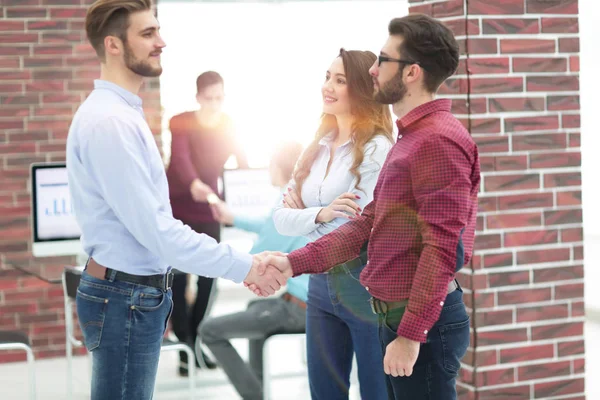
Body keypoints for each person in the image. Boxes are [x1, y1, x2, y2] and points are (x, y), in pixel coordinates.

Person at [66, 1, 284, 399]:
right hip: (125, 296)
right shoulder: (111, 122)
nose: (161, 42)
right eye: (148, 33)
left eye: (158, 30)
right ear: (113, 45)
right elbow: (157, 232)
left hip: (130, 294)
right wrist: (245, 266)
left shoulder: (123, 113)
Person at [255, 14, 480, 400]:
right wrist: (294, 262)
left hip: (421, 325)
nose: (372, 70)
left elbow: (441, 248)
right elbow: (366, 225)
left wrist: (410, 336)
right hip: (394, 316)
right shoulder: (411, 139)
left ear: (411, 73)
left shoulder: (437, 141)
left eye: (383, 60)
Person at [271, 49, 394, 400]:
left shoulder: (377, 148)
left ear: (361, 89)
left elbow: (360, 227)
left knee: (377, 392)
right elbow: (279, 219)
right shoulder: (316, 148)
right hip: (319, 287)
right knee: (324, 393)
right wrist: (322, 214)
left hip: (363, 285)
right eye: (327, 77)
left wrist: (305, 216)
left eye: (340, 80)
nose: (328, 86)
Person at [198, 141, 309, 400]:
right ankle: (258, 391)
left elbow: (260, 252)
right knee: (253, 309)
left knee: (209, 330)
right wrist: (233, 218)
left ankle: (254, 396)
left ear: (278, 167)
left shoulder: (287, 202)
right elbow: (268, 227)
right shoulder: (299, 196)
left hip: (299, 310)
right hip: (301, 302)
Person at [166, 70, 248, 374]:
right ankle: (184, 345)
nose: (215, 104)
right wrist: (192, 183)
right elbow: (181, 159)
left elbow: (241, 158)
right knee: (178, 278)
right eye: (209, 98)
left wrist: (249, 184)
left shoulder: (228, 124)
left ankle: (197, 339)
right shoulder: (181, 121)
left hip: (210, 207)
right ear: (198, 97)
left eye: (219, 98)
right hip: (180, 205)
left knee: (208, 278)